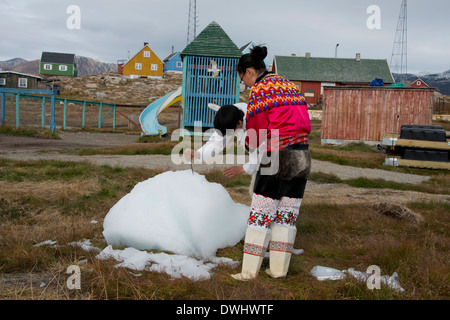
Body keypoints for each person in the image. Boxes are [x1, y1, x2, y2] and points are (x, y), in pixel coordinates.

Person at [229, 45, 312, 280]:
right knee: (287, 214)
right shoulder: (288, 84)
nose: (244, 83)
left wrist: (246, 144)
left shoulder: (260, 90)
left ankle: (248, 273)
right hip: (302, 155)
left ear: (249, 72)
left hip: (277, 156)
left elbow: (256, 133)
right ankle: (278, 270)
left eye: (242, 78)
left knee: (261, 215)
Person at [183, 103, 260, 179]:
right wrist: (198, 154)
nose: (228, 136)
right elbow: (216, 143)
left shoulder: (257, 124)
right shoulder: (229, 116)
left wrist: (243, 169)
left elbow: (264, 155)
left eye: (229, 133)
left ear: (239, 123)